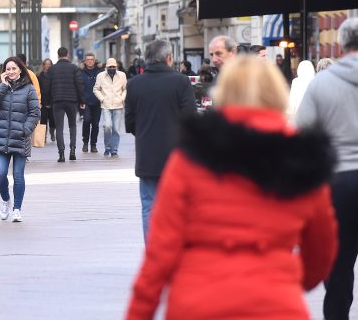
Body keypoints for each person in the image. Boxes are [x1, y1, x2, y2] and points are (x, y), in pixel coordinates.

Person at [127, 56, 337, 320]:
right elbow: (322, 248)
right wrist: (288, 280)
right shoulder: (302, 156)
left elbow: (160, 252)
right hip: (275, 305)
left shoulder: (192, 155)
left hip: (198, 302)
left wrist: (139, 313)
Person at [296, 18, 358, 320]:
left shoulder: (320, 83)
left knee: (340, 263)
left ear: (342, 44)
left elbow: (303, 138)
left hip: (338, 184)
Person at [125, 40, 196, 241]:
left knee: (149, 206)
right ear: (168, 58)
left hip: (147, 155)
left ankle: (153, 251)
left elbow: (130, 124)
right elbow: (190, 119)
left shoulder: (134, 84)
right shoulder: (181, 82)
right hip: (177, 156)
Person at [0, 57, 40, 222]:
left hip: (20, 138)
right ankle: (5, 200)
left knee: (18, 175)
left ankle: (17, 208)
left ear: (20, 70)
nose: (10, 72)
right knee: (0, 174)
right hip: (1, 138)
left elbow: (34, 113)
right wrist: (2, 86)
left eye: (13, 69)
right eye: (7, 69)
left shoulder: (29, 89)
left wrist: (25, 130)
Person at [48, 47, 85, 162]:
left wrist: (49, 101)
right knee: (72, 125)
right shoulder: (74, 68)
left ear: (58, 55)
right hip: (71, 101)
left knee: (59, 127)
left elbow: (48, 86)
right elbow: (79, 85)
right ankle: (72, 151)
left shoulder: (52, 69)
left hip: (57, 101)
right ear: (67, 55)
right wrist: (82, 101)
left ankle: (61, 154)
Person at [93, 58, 127, 157]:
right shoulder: (100, 76)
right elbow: (96, 89)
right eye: (110, 67)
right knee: (107, 126)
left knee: (116, 129)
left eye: (114, 67)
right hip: (106, 105)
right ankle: (107, 147)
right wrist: (102, 99)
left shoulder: (122, 75)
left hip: (118, 105)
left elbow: (125, 89)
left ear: (116, 67)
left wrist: (122, 98)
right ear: (106, 67)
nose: (112, 68)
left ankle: (114, 150)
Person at [79, 53, 102, 153]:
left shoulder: (100, 72)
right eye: (87, 59)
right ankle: (85, 142)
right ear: (84, 61)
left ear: (94, 60)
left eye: (91, 59)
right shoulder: (80, 72)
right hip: (86, 102)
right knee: (87, 121)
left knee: (96, 124)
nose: (89, 61)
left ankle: (93, 144)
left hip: (98, 101)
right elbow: (79, 87)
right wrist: (80, 100)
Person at [37, 58, 55, 142]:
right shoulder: (39, 76)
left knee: (52, 120)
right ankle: (43, 136)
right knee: (43, 120)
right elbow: (38, 89)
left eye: (49, 64)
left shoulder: (54, 76)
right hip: (43, 101)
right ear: (43, 65)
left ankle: (52, 132)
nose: (47, 66)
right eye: (46, 64)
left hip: (52, 101)